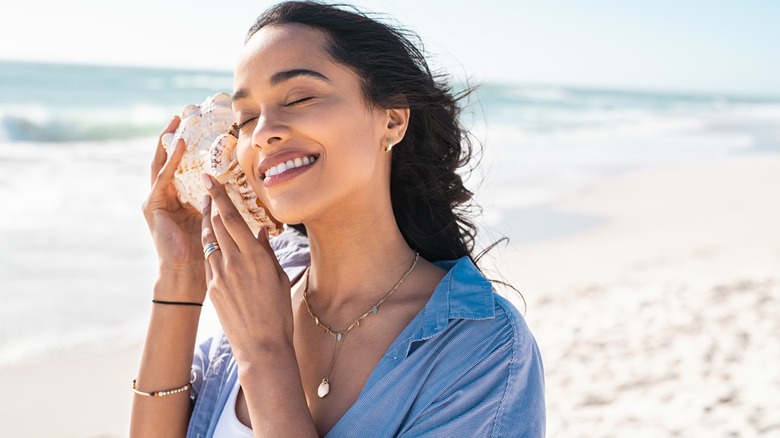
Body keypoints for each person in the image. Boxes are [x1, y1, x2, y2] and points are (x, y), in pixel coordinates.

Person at [130, 1, 545, 437]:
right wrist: (180, 275)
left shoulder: (482, 351)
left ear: (392, 120)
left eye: (300, 97)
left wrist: (265, 352)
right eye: (246, 118)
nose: (265, 130)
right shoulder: (267, 284)